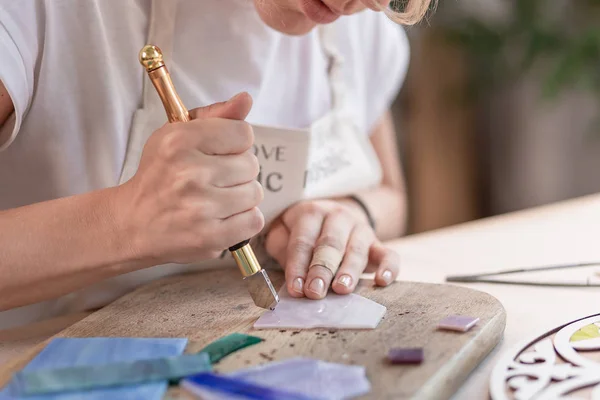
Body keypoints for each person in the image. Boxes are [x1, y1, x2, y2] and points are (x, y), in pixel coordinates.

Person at [0, 0, 432, 329]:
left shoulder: (360, 30)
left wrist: (350, 213)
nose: (349, 4)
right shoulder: (41, 14)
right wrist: (123, 222)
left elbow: (390, 195)